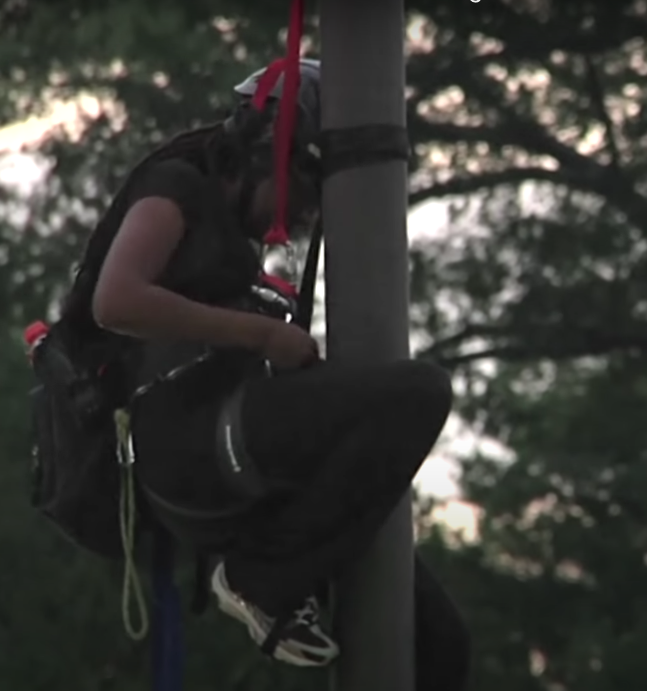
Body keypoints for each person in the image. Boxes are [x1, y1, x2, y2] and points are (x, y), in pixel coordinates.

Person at [73, 60, 469, 689]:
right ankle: (262, 580)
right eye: (307, 190)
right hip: (181, 442)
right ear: (269, 153)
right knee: (419, 394)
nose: (306, 213)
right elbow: (115, 301)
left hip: (234, 439)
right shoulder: (176, 187)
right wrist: (262, 334)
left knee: (438, 641)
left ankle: (275, 569)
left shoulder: (236, 234)